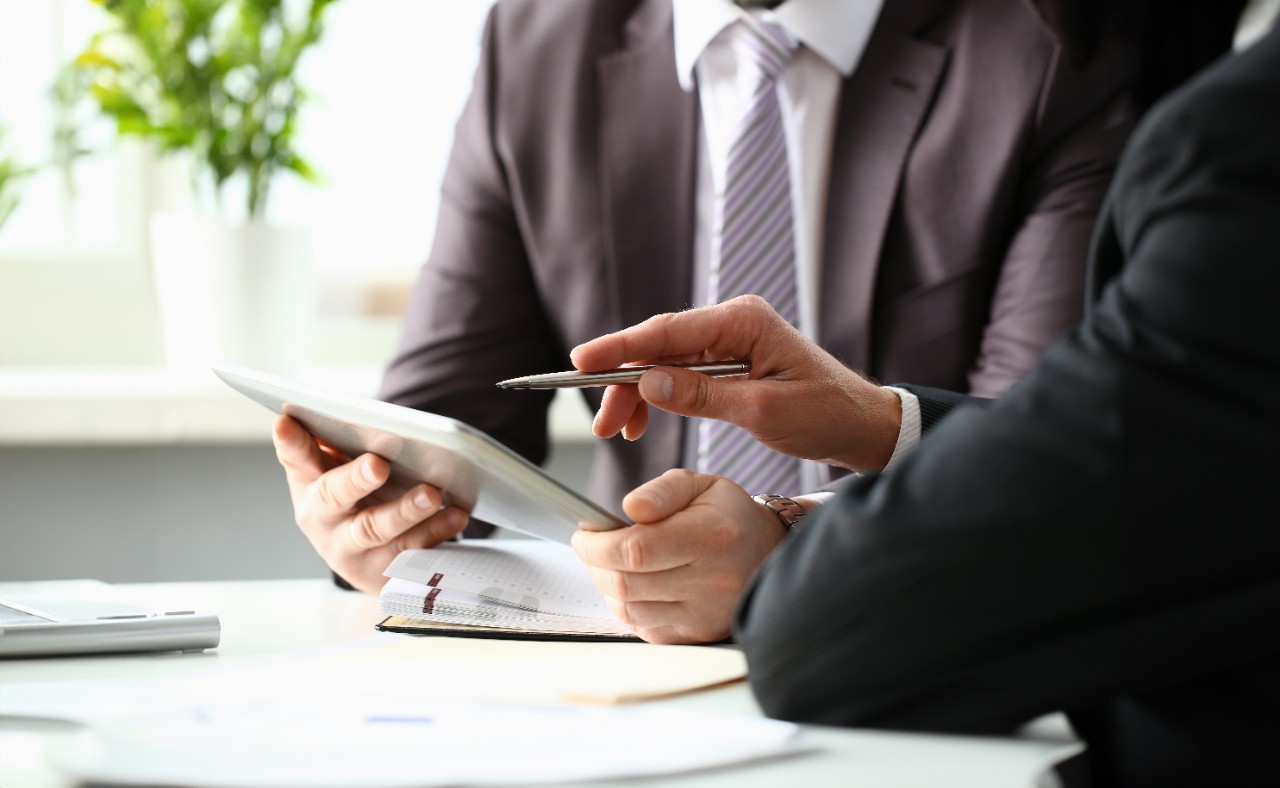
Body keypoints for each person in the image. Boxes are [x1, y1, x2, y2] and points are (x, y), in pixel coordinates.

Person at [568, 14, 1280, 784]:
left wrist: (780, 539)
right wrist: (877, 422)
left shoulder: (1239, 147)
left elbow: (825, 637)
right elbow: (1162, 460)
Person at [274, 0, 1158, 594]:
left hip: (912, 655)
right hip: (617, 672)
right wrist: (376, 521)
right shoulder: (540, 42)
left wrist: (791, 539)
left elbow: (1045, 465)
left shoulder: (1048, 50)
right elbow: (446, 422)